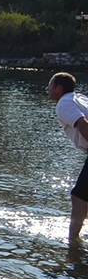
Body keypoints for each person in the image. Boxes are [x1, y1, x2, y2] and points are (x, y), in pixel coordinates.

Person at [47, 72, 88, 244]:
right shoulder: (79, 98)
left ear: (59, 88)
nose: (47, 89)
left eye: (50, 85)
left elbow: (82, 124)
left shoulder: (64, 103)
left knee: (79, 196)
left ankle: (72, 241)